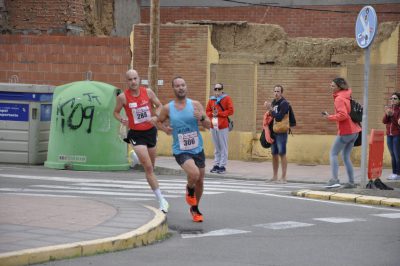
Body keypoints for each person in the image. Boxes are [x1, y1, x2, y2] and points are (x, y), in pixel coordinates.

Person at [113, 69, 169, 213]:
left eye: (135, 78)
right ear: (127, 81)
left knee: (152, 166)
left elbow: (160, 106)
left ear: (139, 79)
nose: (133, 82)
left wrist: (156, 117)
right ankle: (161, 200)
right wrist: (122, 119)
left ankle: (137, 158)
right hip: (136, 134)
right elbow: (116, 112)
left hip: (150, 132)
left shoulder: (148, 92)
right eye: (130, 79)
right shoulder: (122, 97)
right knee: (148, 168)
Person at [158, 76, 211, 222]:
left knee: (200, 180)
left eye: (183, 85)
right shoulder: (168, 108)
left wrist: (201, 118)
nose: (181, 88)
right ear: (173, 88)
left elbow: (208, 125)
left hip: (197, 147)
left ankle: (195, 208)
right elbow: (157, 121)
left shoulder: (195, 105)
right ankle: (189, 188)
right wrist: (165, 129)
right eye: (177, 86)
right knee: (194, 174)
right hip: (180, 149)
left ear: (186, 87)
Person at [322, 77, 361, 189]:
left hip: (346, 131)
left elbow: (343, 115)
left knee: (333, 153)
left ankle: (334, 180)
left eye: (333, 85)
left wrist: (329, 117)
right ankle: (351, 182)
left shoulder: (339, 98)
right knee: (345, 156)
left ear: (339, 87)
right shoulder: (347, 95)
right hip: (355, 131)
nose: (331, 87)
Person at [205, 83, 234, 174]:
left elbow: (231, 111)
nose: (217, 91)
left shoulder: (227, 98)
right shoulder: (211, 100)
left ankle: (222, 166)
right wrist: (212, 114)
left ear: (222, 90)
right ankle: (216, 164)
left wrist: (219, 114)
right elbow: (207, 111)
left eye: (219, 89)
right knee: (216, 147)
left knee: (223, 146)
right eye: (215, 89)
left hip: (223, 126)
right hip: (213, 126)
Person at [264, 85, 289, 183]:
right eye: (274, 91)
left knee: (282, 153)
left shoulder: (284, 103)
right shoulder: (274, 102)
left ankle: (284, 178)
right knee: (274, 154)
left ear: (281, 92)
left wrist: (270, 109)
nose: (276, 93)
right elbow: (271, 116)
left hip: (281, 132)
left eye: (278, 91)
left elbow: (279, 117)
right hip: (273, 131)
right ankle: (274, 176)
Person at [382, 92, 400, 180]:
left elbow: (397, 124)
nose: (392, 100)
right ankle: (394, 173)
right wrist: (387, 114)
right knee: (392, 154)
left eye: (395, 98)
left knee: (397, 155)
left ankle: (398, 173)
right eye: (391, 98)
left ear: (399, 100)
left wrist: (392, 115)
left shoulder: (399, 110)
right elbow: (384, 121)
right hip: (389, 135)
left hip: (397, 135)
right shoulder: (389, 109)